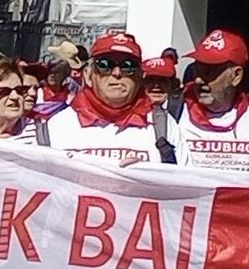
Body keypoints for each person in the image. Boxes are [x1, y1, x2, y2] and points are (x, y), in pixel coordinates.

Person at [167, 29, 249, 171]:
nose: (199, 80)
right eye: (197, 70)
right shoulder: (172, 110)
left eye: (209, 72)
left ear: (236, 76)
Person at [32, 32, 157, 172]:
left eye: (128, 66)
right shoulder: (55, 127)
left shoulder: (162, 127)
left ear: (141, 76)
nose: (116, 73)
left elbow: (184, 183)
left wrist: (151, 175)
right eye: (105, 65)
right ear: (88, 75)